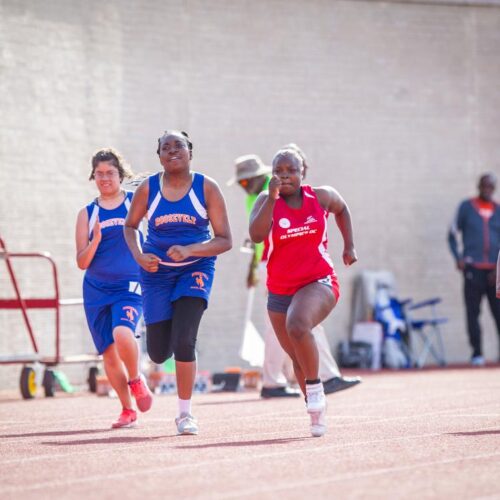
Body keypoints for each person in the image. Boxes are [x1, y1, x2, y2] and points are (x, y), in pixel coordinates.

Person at [124, 130, 232, 435]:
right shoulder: (148, 189)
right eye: (165, 147)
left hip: (195, 268)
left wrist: (191, 250)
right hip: (157, 273)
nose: (172, 151)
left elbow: (225, 240)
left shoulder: (206, 188)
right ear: (159, 156)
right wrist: (139, 255)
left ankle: (185, 414)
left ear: (190, 152)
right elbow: (130, 227)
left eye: (178, 146)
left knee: (185, 339)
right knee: (158, 353)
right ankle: (148, 359)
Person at [229, 152, 361, 398]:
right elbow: (256, 238)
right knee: (283, 328)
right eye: (241, 182)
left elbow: (339, 208)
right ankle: (277, 379)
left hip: (305, 270)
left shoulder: (312, 196)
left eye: (247, 180)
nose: (244, 185)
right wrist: (253, 269)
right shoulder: (261, 198)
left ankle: (321, 376)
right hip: (274, 266)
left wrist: (349, 246)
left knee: (303, 323)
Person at [75, 148, 153, 429]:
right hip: (96, 289)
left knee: (123, 333)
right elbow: (81, 262)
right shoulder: (87, 213)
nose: (105, 178)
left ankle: (136, 379)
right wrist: (95, 240)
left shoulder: (135, 204)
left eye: (110, 173)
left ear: (120, 175)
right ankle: (126, 409)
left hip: (130, 284)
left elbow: (153, 236)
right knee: (108, 353)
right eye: (99, 174)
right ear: (93, 176)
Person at [448, 173, 500, 365]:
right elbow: (452, 235)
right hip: (473, 269)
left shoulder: (498, 210)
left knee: (498, 313)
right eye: (484, 186)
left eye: (491, 187)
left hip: (495, 272)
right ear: (479, 186)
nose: (487, 189)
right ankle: (477, 353)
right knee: (473, 313)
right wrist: (458, 257)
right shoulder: (466, 207)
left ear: (494, 189)